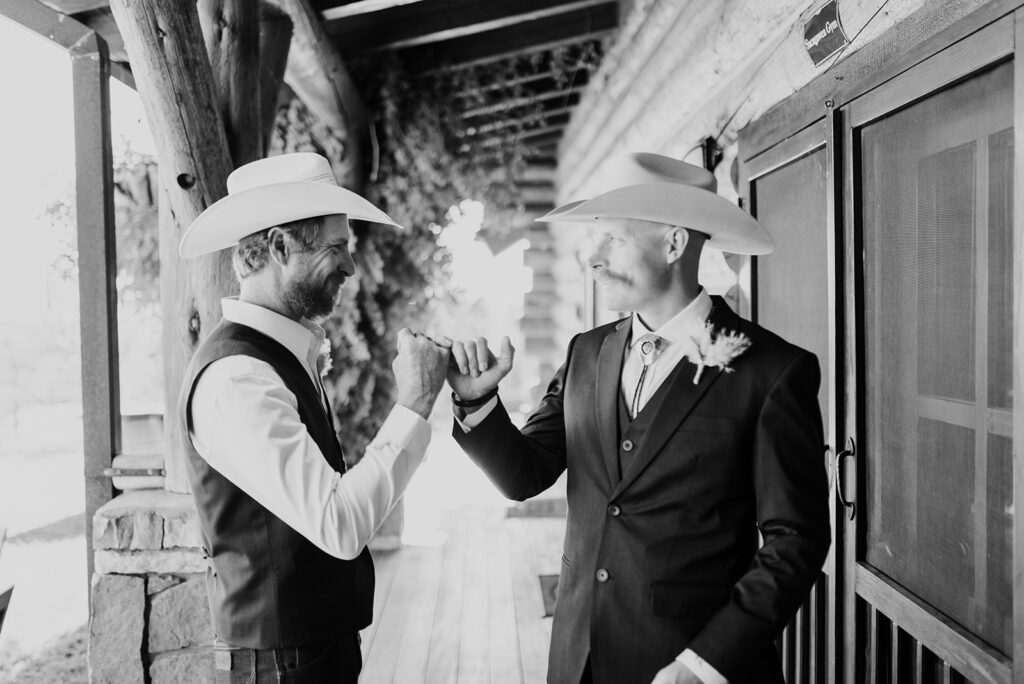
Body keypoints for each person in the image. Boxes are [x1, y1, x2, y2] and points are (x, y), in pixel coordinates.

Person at [446, 153, 830, 684]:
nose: (592, 258)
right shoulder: (587, 353)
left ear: (673, 244)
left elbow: (796, 541)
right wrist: (477, 404)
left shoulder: (772, 372)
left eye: (612, 239)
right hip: (577, 662)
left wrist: (704, 665)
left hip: (692, 668)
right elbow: (523, 474)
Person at [176, 152, 450, 683]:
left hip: (307, 655)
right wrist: (415, 403)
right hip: (282, 667)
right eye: (335, 247)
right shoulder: (238, 378)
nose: (350, 266)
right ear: (279, 247)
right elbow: (338, 522)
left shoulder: (278, 356)